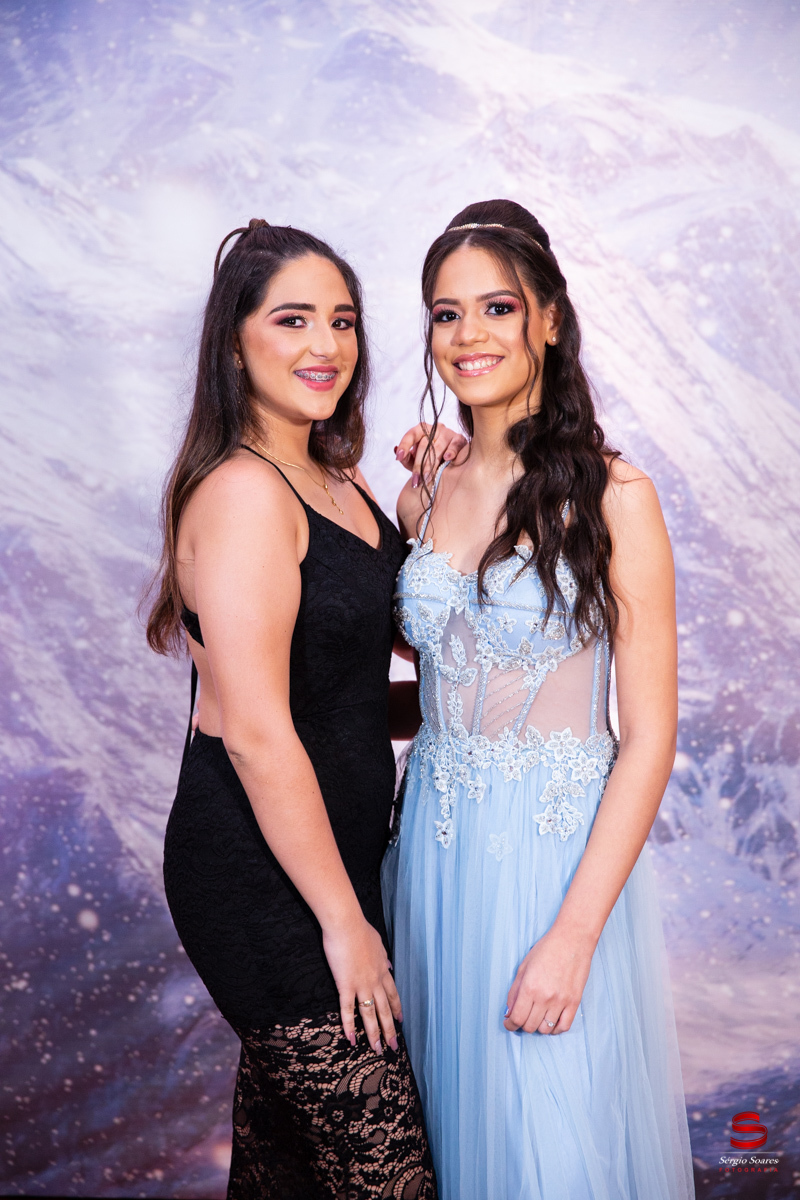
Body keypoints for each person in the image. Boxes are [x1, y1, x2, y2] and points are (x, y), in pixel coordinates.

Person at [382, 199, 694, 1200]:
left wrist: (573, 936)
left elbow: (648, 739)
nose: (467, 334)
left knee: (546, 1149)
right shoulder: (424, 491)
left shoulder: (615, 496)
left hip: (548, 870)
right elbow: (447, 659)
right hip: (430, 863)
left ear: (549, 320)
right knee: (447, 1145)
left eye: (497, 307)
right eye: (446, 313)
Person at [146, 219, 461, 1199]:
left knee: (287, 1178)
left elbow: (353, 695)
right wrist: (343, 923)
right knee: (386, 1179)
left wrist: (439, 496)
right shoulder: (245, 493)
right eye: (292, 320)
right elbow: (255, 732)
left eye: (342, 320)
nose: (325, 345)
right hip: (263, 880)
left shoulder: (337, 477)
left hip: (337, 861)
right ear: (234, 342)